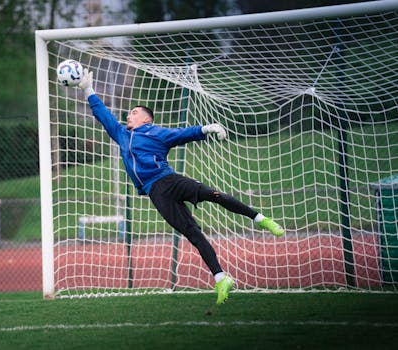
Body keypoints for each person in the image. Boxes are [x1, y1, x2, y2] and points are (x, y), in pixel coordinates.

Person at [76, 68, 284, 304]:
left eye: (134, 113)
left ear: (146, 119)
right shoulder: (121, 134)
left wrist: (206, 129)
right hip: (156, 193)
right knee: (192, 233)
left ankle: (260, 219)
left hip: (170, 180)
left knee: (213, 194)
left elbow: (182, 134)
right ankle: (221, 278)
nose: (129, 116)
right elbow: (103, 115)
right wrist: (88, 89)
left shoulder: (156, 133)